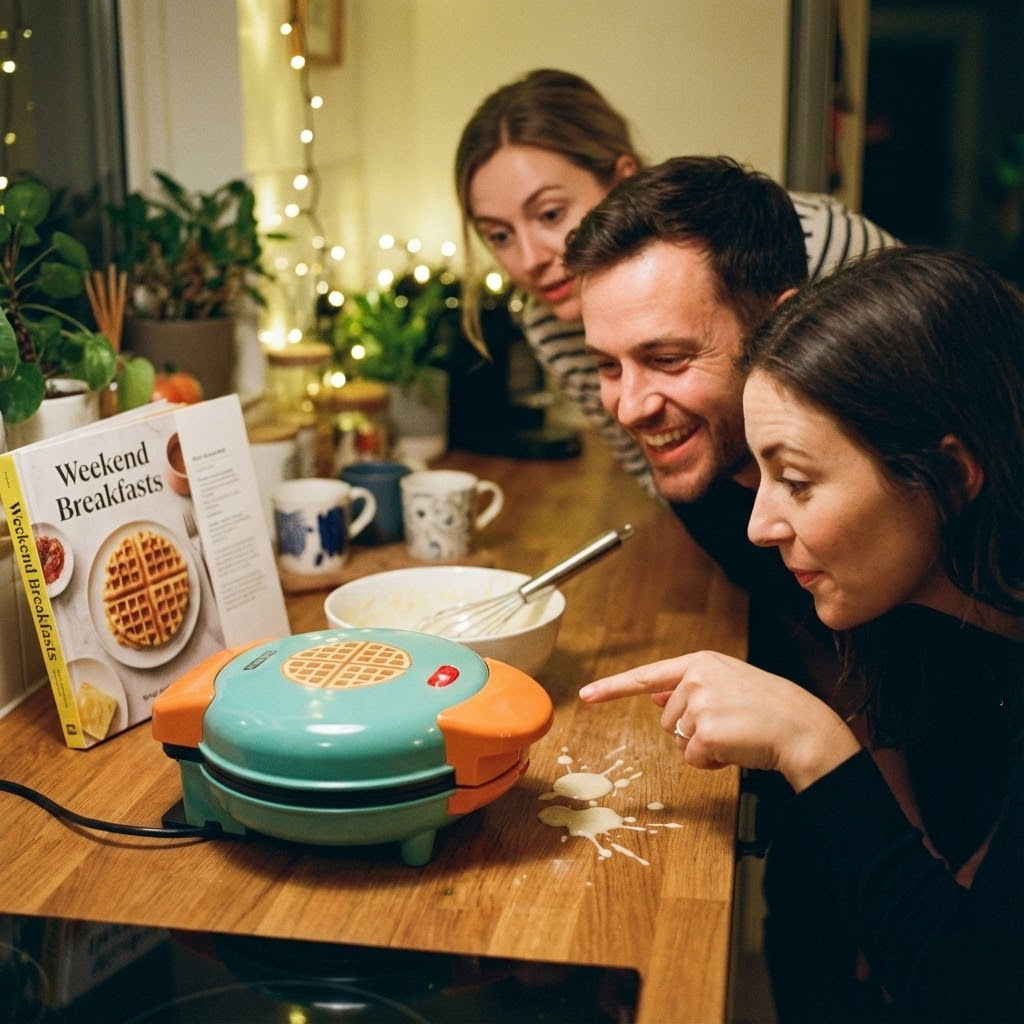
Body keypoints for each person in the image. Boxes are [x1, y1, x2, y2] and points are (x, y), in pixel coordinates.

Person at [579, 247, 1024, 1022]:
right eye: (760, 475)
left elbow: (974, 995)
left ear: (950, 479)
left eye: (799, 479)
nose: (760, 525)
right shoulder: (930, 618)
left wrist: (812, 742)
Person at [454, 68, 898, 499]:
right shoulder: (550, 323)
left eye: (551, 214)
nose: (530, 260)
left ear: (622, 177)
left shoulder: (817, 243)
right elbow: (672, 478)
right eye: (499, 236)